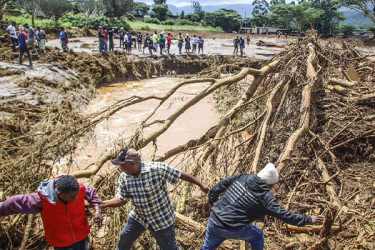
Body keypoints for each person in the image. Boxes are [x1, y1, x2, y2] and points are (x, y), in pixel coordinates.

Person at [100, 148, 210, 250]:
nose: (121, 168)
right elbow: (122, 199)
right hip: (139, 216)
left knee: (168, 247)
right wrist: (103, 203)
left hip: (161, 219)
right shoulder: (124, 177)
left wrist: (201, 185)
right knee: (124, 237)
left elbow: (180, 174)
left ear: (132, 164)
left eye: (122, 165)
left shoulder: (156, 169)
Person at [201, 163, 324, 250]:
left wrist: (210, 202)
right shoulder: (266, 197)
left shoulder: (242, 177)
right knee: (257, 235)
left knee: (207, 247)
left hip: (214, 221)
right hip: (232, 228)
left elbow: (218, 187)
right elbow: (284, 215)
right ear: (270, 185)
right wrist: (307, 219)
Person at [0, 175, 103, 249]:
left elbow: (90, 192)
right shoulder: (43, 200)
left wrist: (97, 209)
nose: (76, 198)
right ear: (59, 194)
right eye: (72, 197)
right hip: (61, 243)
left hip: (82, 236)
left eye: (77, 195)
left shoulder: (77, 188)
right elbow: (15, 202)